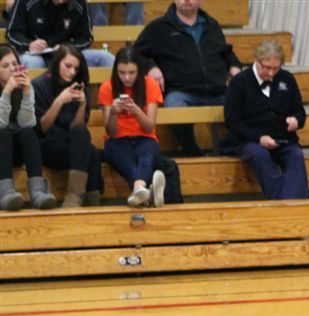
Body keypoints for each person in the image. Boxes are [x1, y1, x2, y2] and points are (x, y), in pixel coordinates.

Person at [134, 0, 241, 157]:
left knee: (247, 103)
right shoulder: (158, 27)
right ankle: (192, 151)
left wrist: (234, 66)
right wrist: (151, 67)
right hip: (181, 92)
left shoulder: (212, 25)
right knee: (174, 106)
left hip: (219, 91)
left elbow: (226, 52)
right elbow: (135, 53)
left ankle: (226, 148)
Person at [222, 40, 308, 200]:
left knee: (296, 155)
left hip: (283, 139)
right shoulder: (240, 82)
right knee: (259, 154)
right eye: (267, 67)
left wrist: (296, 120)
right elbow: (232, 120)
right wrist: (258, 138)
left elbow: (300, 112)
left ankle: (293, 204)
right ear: (256, 60)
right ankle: (283, 203)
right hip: (251, 140)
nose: (271, 73)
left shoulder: (287, 78)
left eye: (276, 68)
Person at [31, 43, 103, 207]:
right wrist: (59, 101)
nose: (72, 72)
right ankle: (88, 200)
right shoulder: (39, 85)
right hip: (46, 146)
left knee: (86, 142)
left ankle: (78, 197)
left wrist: (82, 105)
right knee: (91, 153)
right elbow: (42, 129)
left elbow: (77, 128)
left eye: (76, 68)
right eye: (68, 66)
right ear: (57, 63)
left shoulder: (79, 86)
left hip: (70, 145)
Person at [98, 46, 165, 207]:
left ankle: (139, 189)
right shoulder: (107, 87)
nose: (127, 78)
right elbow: (111, 132)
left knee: (146, 156)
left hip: (145, 138)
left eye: (132, 72)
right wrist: (113, 112)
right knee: (124, 158)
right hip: (117, 140)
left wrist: (136, 111)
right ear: (116, 71)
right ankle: (143, 189)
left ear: (139, 70)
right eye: (122, 73)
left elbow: (149, 128)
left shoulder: (150, 85)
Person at [0, 45, 56, 209]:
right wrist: (6, 92)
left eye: (14, 64)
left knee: (28, 133)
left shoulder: (21, 88)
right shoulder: (8, 89)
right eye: (5, 65)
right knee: (3, 134)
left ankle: (38, 192)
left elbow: (27, 123)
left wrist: (27, 93)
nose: (12, 69)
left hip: (13, 151)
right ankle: (5, 193)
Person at [6, 0, 115, 68]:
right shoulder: (26, 2)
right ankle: (33, 99)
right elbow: (12, 33)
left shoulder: (80, 3)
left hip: (68, 52)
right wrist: (29, 44)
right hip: (34, 53)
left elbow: (86, 38)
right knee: (33, 62)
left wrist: (67, 48)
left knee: (106, 58)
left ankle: (111, 99)